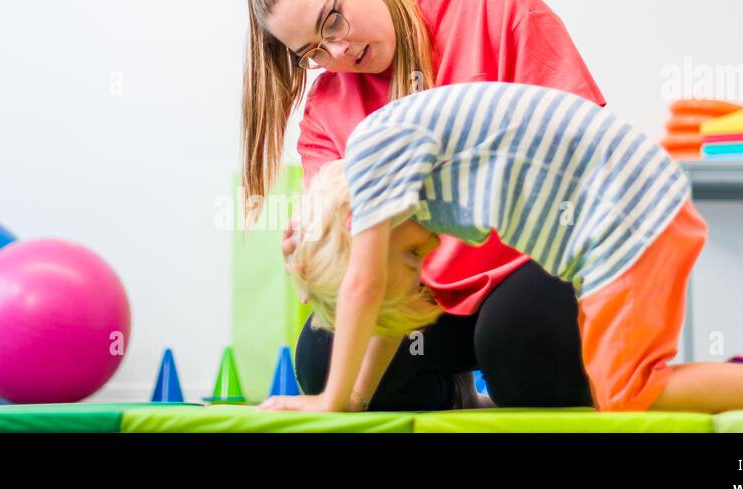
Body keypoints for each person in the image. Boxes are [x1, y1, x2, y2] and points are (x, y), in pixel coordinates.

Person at [264, 81, 743, 414]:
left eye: (401, 259)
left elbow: (363, 285)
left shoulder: (375, 149)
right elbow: (376, 306)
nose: (418, 265)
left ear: (360, 228)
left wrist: (325, 402)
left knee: (627, 390)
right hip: (625, 212)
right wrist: (350, 399)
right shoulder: (415, 186)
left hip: (627, 213)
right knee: (627, 380)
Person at [243, 0, 608, 411]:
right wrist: (320, 254)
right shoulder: (329, 114)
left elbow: (581, 161)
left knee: (524, 335)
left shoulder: (496, 12)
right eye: (313, 52)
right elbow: (364, 272)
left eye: (332, 19)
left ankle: (536, 385)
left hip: (529, 268)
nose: (338, 52)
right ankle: (454, 397)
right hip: (419, 305)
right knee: (321, 354)